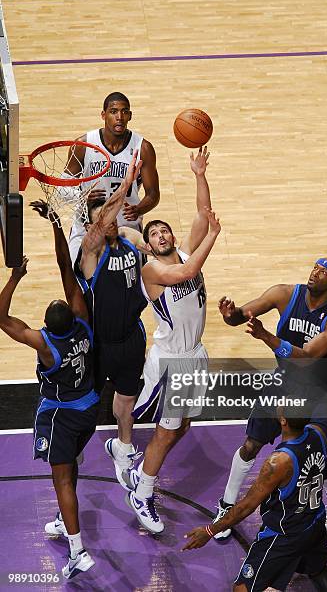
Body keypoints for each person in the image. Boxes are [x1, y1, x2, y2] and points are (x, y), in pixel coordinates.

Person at [213, 259, 327, 540]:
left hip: (319, 392)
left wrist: (266, 336)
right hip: (284, 382)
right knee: (250, 445)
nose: (315, 272)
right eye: (315, 266)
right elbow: (243, 314)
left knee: (311, 458)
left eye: (324, 271)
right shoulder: (285, 294)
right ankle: (227, 506)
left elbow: (308, 357)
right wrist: (231, 315)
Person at [0, 204, 98, 580]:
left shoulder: (45, 345)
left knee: (60, 479)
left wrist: (15, 277)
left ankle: (78, 551)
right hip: (90, 409)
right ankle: (63, 518)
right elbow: (65, 268)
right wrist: (57, 223)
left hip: (62, 414)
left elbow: (2, 317)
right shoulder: (84, 323)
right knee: (70, 466)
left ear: (46, 325)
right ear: (71, 316)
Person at [126, 147, 220, 534]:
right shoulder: (153, 270)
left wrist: (199, 174)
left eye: (165, 230)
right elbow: (187, 272)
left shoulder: (182, 252)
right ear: (148, 244)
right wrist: (212, 238)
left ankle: (140, 471)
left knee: (181, 429)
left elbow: (202, 216)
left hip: (195, 355)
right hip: (172, 361)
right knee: (167, 432)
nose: (161, 234)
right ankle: (142, 491)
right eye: (154, 232)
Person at [183, 407, 327, 592]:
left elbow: (245, 507)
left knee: (242, 588)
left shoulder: (278, 462)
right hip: (314, 523)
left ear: (283, 421)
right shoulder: (319, 433)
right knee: (317, 569)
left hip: (284, 534)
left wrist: (209, 530)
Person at [74, 150, 150, 490]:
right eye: (106, 217)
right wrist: (128, 183)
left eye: (116, 215)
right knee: (88, 404)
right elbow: (104, 218)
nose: (114, 219)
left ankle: (124, 446)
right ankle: (73, 448)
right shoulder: (90, 253)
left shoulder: (131, 242)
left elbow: (160, 254)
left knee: (127, 400)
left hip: (132, 337)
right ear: (93, 226)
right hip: (101, 342)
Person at [67, 91, 159, 263]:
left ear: (130, 116)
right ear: (103, 115)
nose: (119, 117)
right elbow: (61, 190)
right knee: (79, 285)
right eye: (113, 111)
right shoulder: (82, 146)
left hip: (125, 227)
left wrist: (139, 209)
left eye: (124, 112)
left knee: (130, 285)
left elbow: (153, 194)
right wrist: (82, 197)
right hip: (87, 226)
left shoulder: (143, 148)